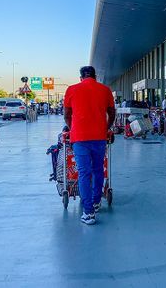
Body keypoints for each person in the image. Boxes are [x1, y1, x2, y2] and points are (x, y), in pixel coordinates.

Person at [64, 66, 116, 225]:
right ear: (95, 76)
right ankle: (96, 202)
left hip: (79, 138)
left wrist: (73, 128)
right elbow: (112, 113)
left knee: (84, 173)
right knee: (98, 169)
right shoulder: (105, 90)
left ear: (81, 77)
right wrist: (105, 128)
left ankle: (88, 213)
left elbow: (67, 114)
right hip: (99, 137)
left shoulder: (72, 89)